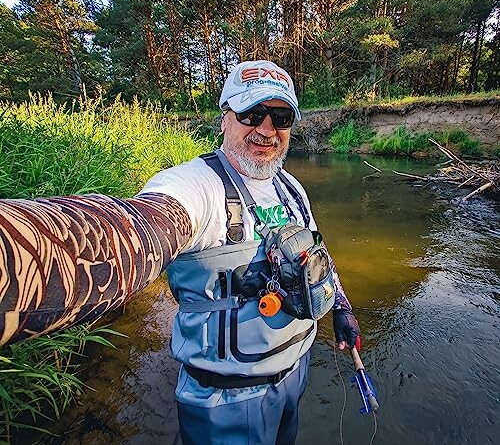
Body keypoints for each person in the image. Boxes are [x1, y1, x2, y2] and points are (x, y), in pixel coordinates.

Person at [0, 60, 361, 444]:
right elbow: (136, 228)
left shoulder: (292, 188)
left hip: (294, 374)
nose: (267, 129)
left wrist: (341, 307)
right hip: (226, 401)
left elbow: (318, 255)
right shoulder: (198, 185)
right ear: (225, 118)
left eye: (281, 116)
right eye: (252, 113)